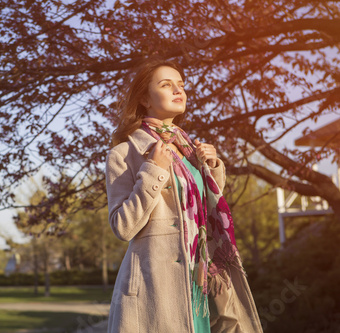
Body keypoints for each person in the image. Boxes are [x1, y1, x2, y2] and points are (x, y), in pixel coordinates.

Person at [105, 58, 264, 333]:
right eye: (167, 85)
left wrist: (211, 168)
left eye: (181, 85)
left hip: (201, 282)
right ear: (144, 98)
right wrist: (154, 169)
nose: (179, 90)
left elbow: (203, 213)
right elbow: (122, 226)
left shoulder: (190, 150)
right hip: (155, 289)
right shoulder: (124, 153)